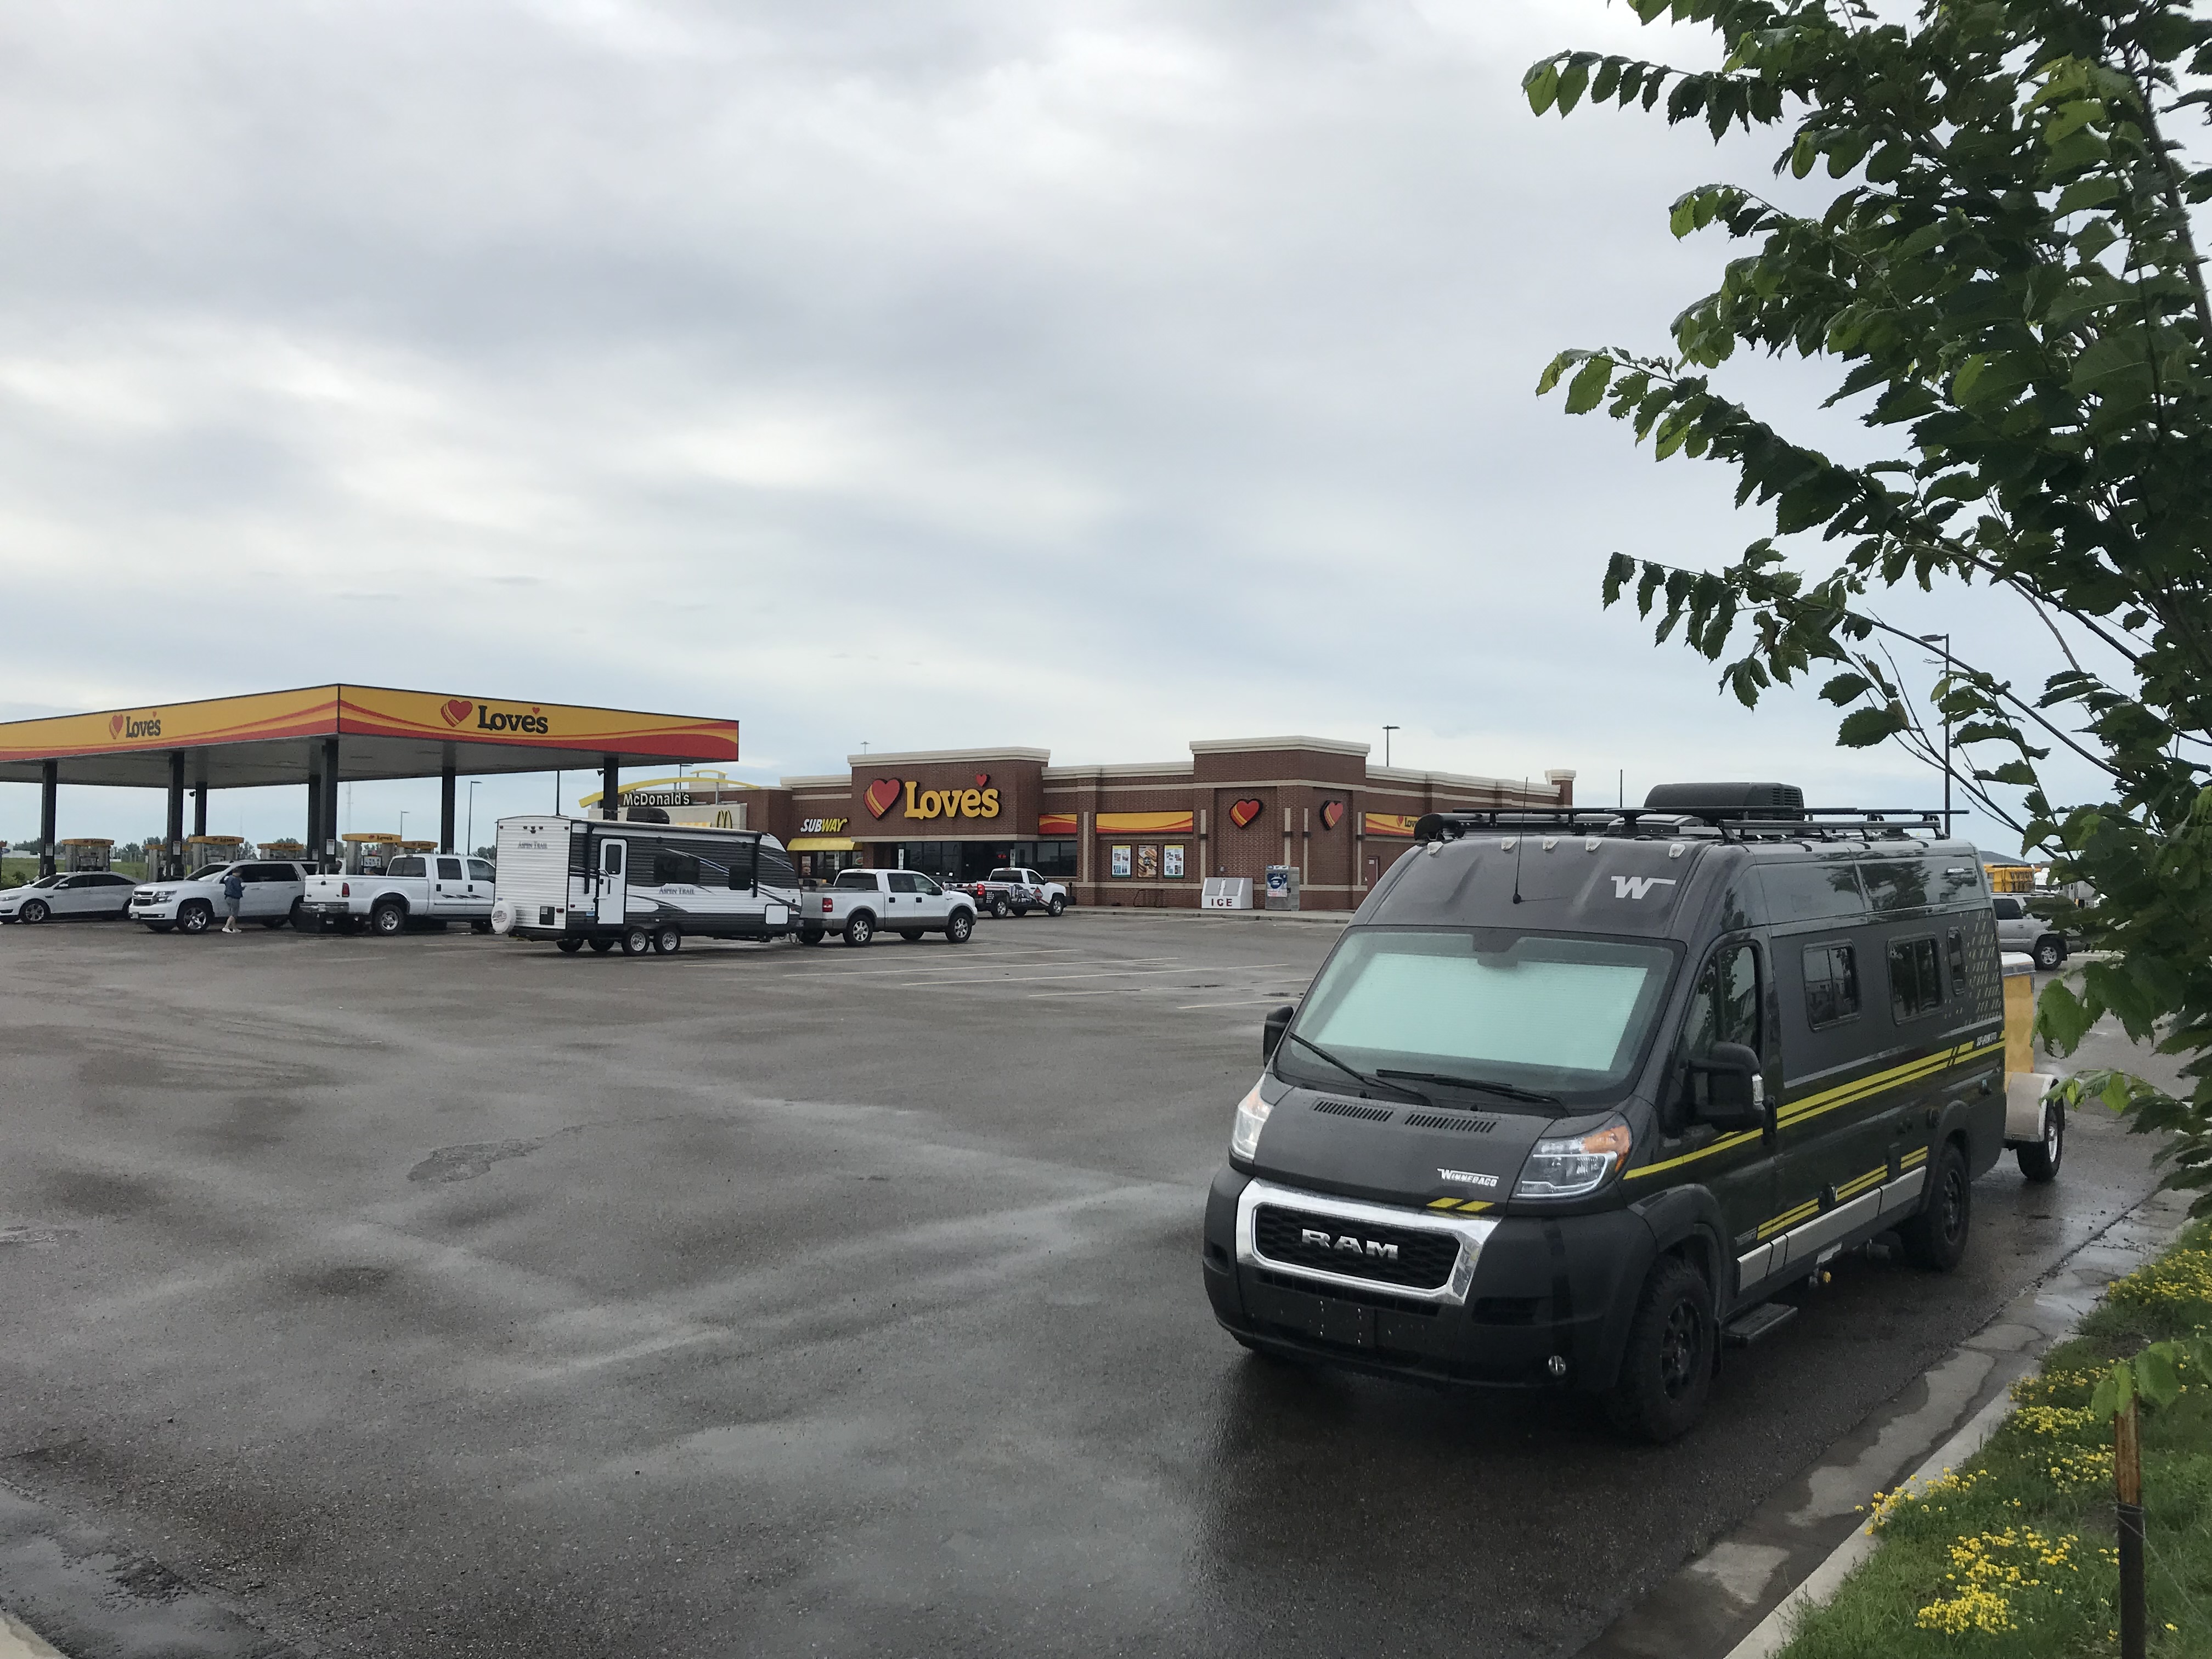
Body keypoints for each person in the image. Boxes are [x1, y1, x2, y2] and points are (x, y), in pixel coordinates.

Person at [220, 867, 245, 934]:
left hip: (228, 897)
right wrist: (243, 887)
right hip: (234, 897)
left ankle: (234, 928)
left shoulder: (228, 878)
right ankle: (226, 927)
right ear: (238, 873)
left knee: (231, 913)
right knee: (234, 914)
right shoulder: (236, 880)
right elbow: (238, 888)